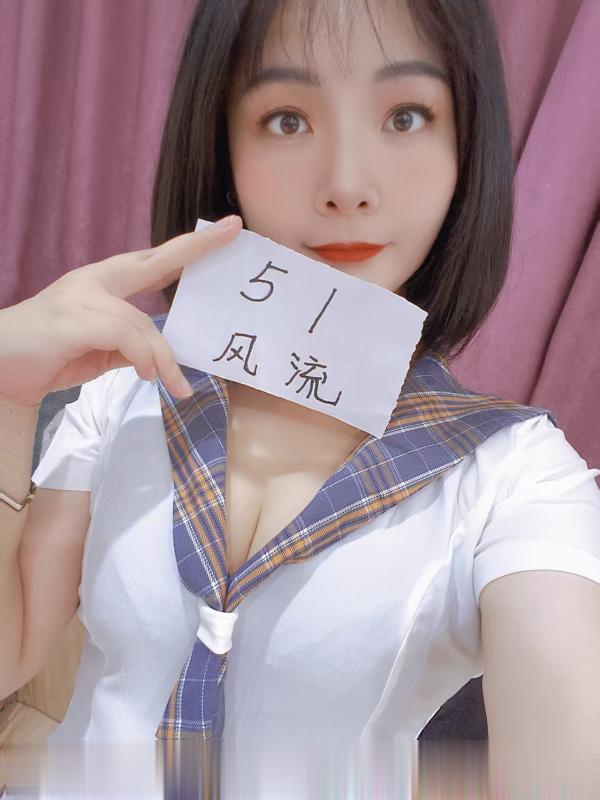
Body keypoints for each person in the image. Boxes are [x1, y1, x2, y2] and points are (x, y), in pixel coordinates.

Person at [1, 0, 599, 797]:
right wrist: (6, 398)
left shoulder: (516, 476)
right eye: (287, 120)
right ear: (224, 148)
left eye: (406, 116)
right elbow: (11, 652)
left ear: (467, 152)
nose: (347, 185)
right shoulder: (123, 388)